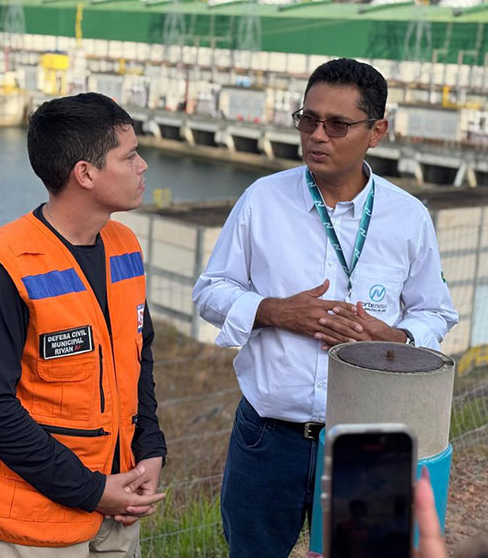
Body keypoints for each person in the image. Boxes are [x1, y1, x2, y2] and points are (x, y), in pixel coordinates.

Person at [193, 58, 458, 557]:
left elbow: (436, 313)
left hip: (369, 437)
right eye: (307, 119)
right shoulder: (262, 201)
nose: (317, 135)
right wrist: (274, 311)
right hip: (269, 438)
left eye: (337, 125)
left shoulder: (408, 217)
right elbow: (210, 292)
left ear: (376, 131)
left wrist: (393, 340)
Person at [0, 93, 167, 557]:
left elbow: (138, 357)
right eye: (129, 156)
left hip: (118, 508)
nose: (143, 166)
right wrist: (91, 489)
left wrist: (150, 448)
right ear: (85, 174)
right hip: (29, 529)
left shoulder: (124, 245)